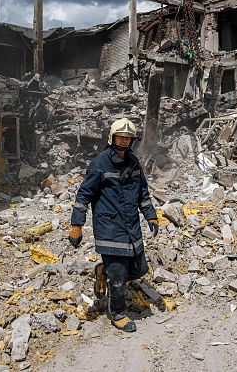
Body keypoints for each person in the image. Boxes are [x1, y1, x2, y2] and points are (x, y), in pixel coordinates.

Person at [68, 118, 159, 332]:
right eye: (121, 137)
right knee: (118, 276)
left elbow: (143, 193)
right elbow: (84, 195)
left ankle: (104, 271)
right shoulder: (100, 164)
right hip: (109, 227)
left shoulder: (133, 162)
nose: (124, 141)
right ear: (112, 138)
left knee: (140, 269)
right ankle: (118, 313)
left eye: (128, 138)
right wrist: (76, 225)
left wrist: (151, 216)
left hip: (131, 227)